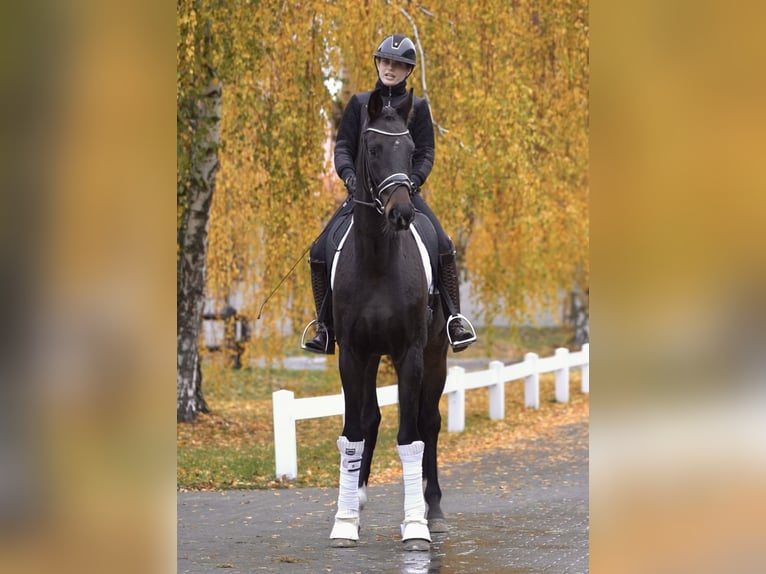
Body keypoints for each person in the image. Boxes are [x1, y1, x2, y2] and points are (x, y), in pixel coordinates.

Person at [303, 33, 476, 355]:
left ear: (408, 70)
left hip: (403, 194)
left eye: (398, 64)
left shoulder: (418, 108)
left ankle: (454, 318)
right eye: (385, 61)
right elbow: (343, 147)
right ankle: (324, 325)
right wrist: (349, 176)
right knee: (319, 249)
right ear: (378, 63)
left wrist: (412, 181)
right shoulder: (358, 104)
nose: (390, 69)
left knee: (443, 243)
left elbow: (425, 152)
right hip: (363, 195)